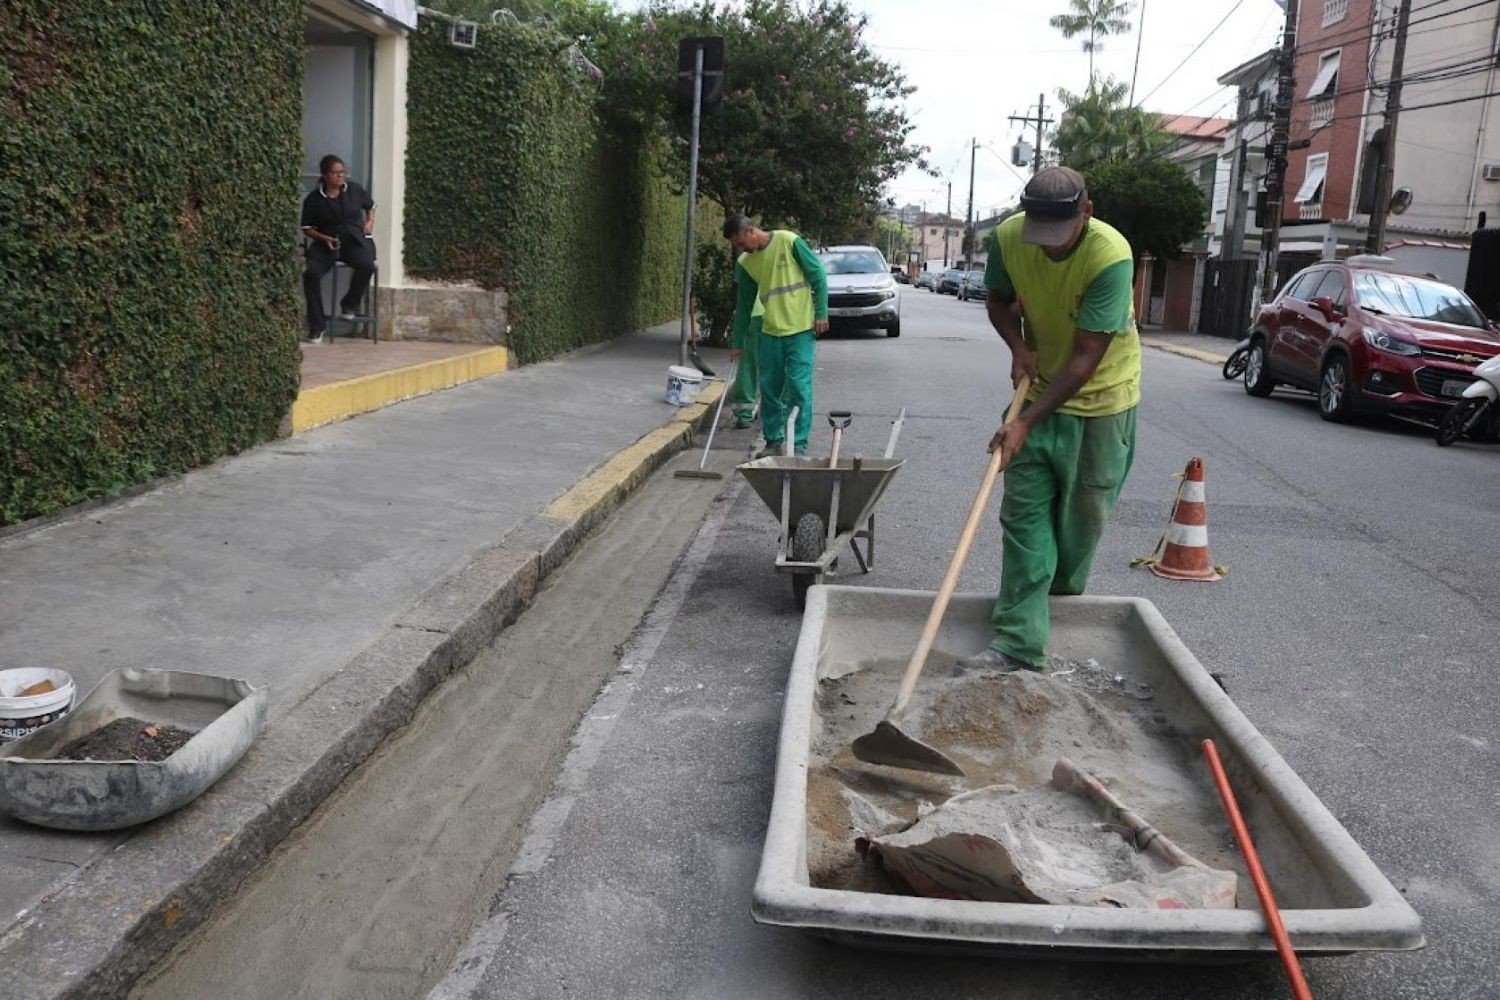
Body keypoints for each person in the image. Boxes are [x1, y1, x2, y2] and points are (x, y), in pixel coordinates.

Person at [956, 166, 1141, 674]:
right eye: (1042, 234)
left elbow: (1085, 360)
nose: (1050, 248)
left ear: (1087, 211)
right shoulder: (1011, 237)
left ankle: (1054, 609)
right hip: (1037, 393)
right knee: (1024, 522)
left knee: (1078, 530)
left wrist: (1025, 422)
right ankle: (1018, 642)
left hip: (1103, 405)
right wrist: (1019, 347)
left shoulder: (1110, 255)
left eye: (1060, 236)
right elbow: (996, 298)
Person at [724, 215, 829, 456]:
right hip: (770, 333)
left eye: (741, 242)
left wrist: (821, 313)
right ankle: (773, 442)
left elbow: (818, 275)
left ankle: (798, 445)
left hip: (800, 330)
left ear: (751, 230)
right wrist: (738, 342)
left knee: (799, 388)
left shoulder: (788, 241)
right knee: (770, 390)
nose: (741, 249)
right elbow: (744, 305)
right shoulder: (746, 262)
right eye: (737, 246)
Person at [299, 155, 376, 344]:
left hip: (354, 242)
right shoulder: (315, 199)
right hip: (327, 243)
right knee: (311, 274)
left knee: (367, 265)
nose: (340, 176)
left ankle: (349, 305)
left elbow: (371, 206)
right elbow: (307, 228)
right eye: (335, 173)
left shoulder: (355, 190)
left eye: (342, 172)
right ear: (325, 175)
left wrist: (369, 222)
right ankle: (317, 327)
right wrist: (323, 238)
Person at [727, 294, 765, 430]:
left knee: (748, 366)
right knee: (775, 366)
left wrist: (737, 339)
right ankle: (775, 414)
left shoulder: (748, 271)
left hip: (753, 314)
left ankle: (744, 414)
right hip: (780, 315)